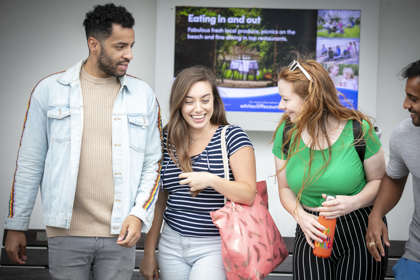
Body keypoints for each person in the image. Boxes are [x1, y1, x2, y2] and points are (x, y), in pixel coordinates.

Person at [4, 4, 162, 280]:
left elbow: (154, 164)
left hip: (120, 233)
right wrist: (17, 225)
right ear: (94, 44)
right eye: (121, 46)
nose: (129, 55)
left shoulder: (143, 95)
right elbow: (30, 161)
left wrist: (138, 215)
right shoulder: (49, 91)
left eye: (132, 46)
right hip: (66, 233)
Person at [273, 59, 387, 279]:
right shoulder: (286, 132)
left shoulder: (358, 130)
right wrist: (301, 217)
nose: (281, 106)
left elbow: (380, 182)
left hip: (359, 230)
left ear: (311, 99)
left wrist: (353, 202)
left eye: (286, 99)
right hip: (311, 229)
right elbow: (284, 188)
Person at [139, 66, 256, 280]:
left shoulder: (232, 137)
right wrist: (148, 252)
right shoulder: (166, 138)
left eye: (205, 99)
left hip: (214, 246)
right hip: (171, 245)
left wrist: (210, 180)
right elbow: (160, 199)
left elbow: (248, 194)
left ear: (215, 101)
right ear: (179, 103)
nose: (198, 108)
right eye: (189, 101)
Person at [366, 59, 420, 279]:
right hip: (416, 255)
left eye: (414, 99)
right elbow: (395, 179)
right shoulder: (403, 135)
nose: (405, 105)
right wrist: (376, 214)